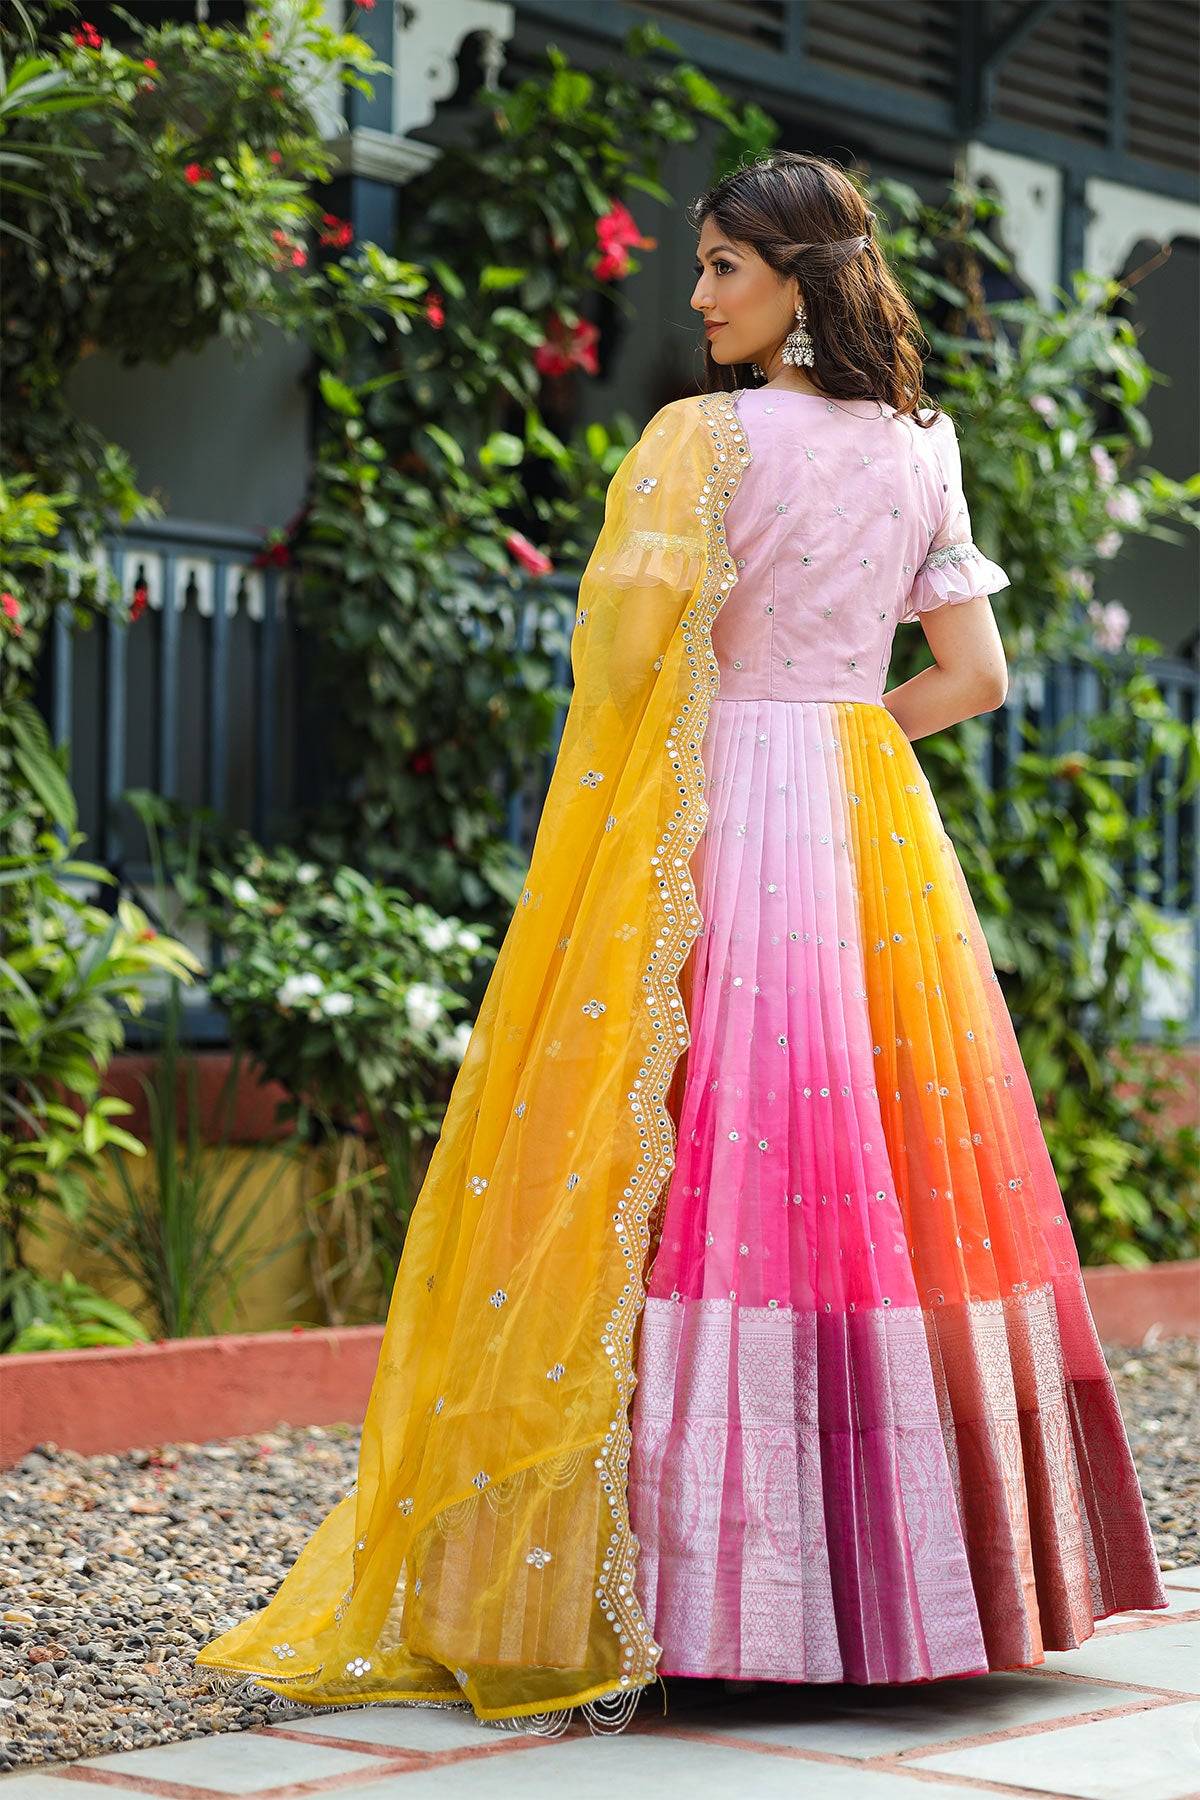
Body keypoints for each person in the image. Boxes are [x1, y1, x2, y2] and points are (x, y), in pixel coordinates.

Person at [194, 151, 1165, 1738]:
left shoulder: (695, 442)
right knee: (871, 1165)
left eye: (723, 267)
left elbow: (627, 674)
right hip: (867, 825)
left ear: (797, 278)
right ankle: (914, 1590)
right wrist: (855, 733)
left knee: (690, 1159)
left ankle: (697, 1597)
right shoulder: (924, 442)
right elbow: (977, 676)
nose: (697, 295)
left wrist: (709, 753)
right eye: (701, 266)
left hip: (715, 823)